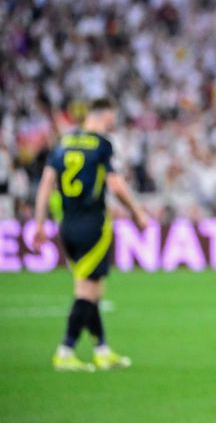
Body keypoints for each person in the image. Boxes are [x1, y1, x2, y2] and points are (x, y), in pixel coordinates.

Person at [29, 97, 149, 371]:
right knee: (87, 291)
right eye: (113, 117)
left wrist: (38, 223)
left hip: (67, 226)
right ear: (104, 115)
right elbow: (116, 185)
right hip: (93, 225)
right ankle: (65, 349)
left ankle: (102, 349)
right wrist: (138, 212)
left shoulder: (63, 142)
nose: (114, 123)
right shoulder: (102, 144)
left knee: (93, 289)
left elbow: (46, 183)